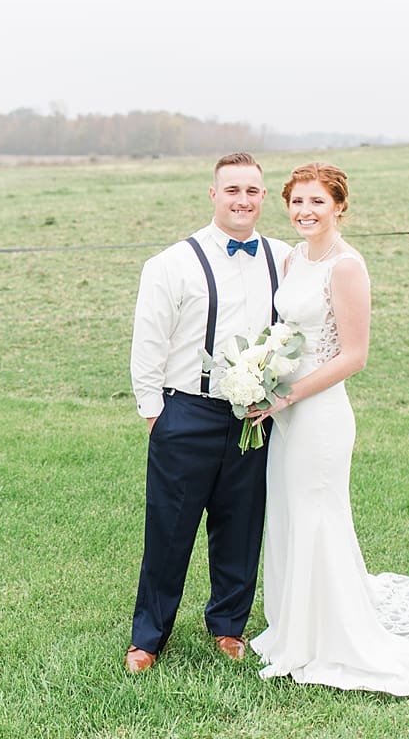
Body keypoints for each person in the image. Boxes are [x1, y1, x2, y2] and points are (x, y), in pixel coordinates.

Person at [245, 162, 409, 694]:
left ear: (339, 206)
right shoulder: (295, 258)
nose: (305, 212)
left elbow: (355, 355)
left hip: (318, 414)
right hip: (285, 406)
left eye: (317, 202)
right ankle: (295, 626)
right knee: (291, 512)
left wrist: (287, 395)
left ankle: (330, 638)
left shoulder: (346, 266)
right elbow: (289, 330)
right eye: (297, 202)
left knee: (318, 513)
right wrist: (263, 373)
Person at [126, 152, 292, 673]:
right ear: (213, 195)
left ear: (264, 197)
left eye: (252, 191)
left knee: (241, 526)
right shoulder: (171, 263)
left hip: (255, 416)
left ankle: (228, 626)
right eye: (232, 190)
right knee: (169, 530)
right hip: (186, 413)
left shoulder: (284, 259)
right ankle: (148, 638)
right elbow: (148, 341)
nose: (242, 200)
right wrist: (156, 414)